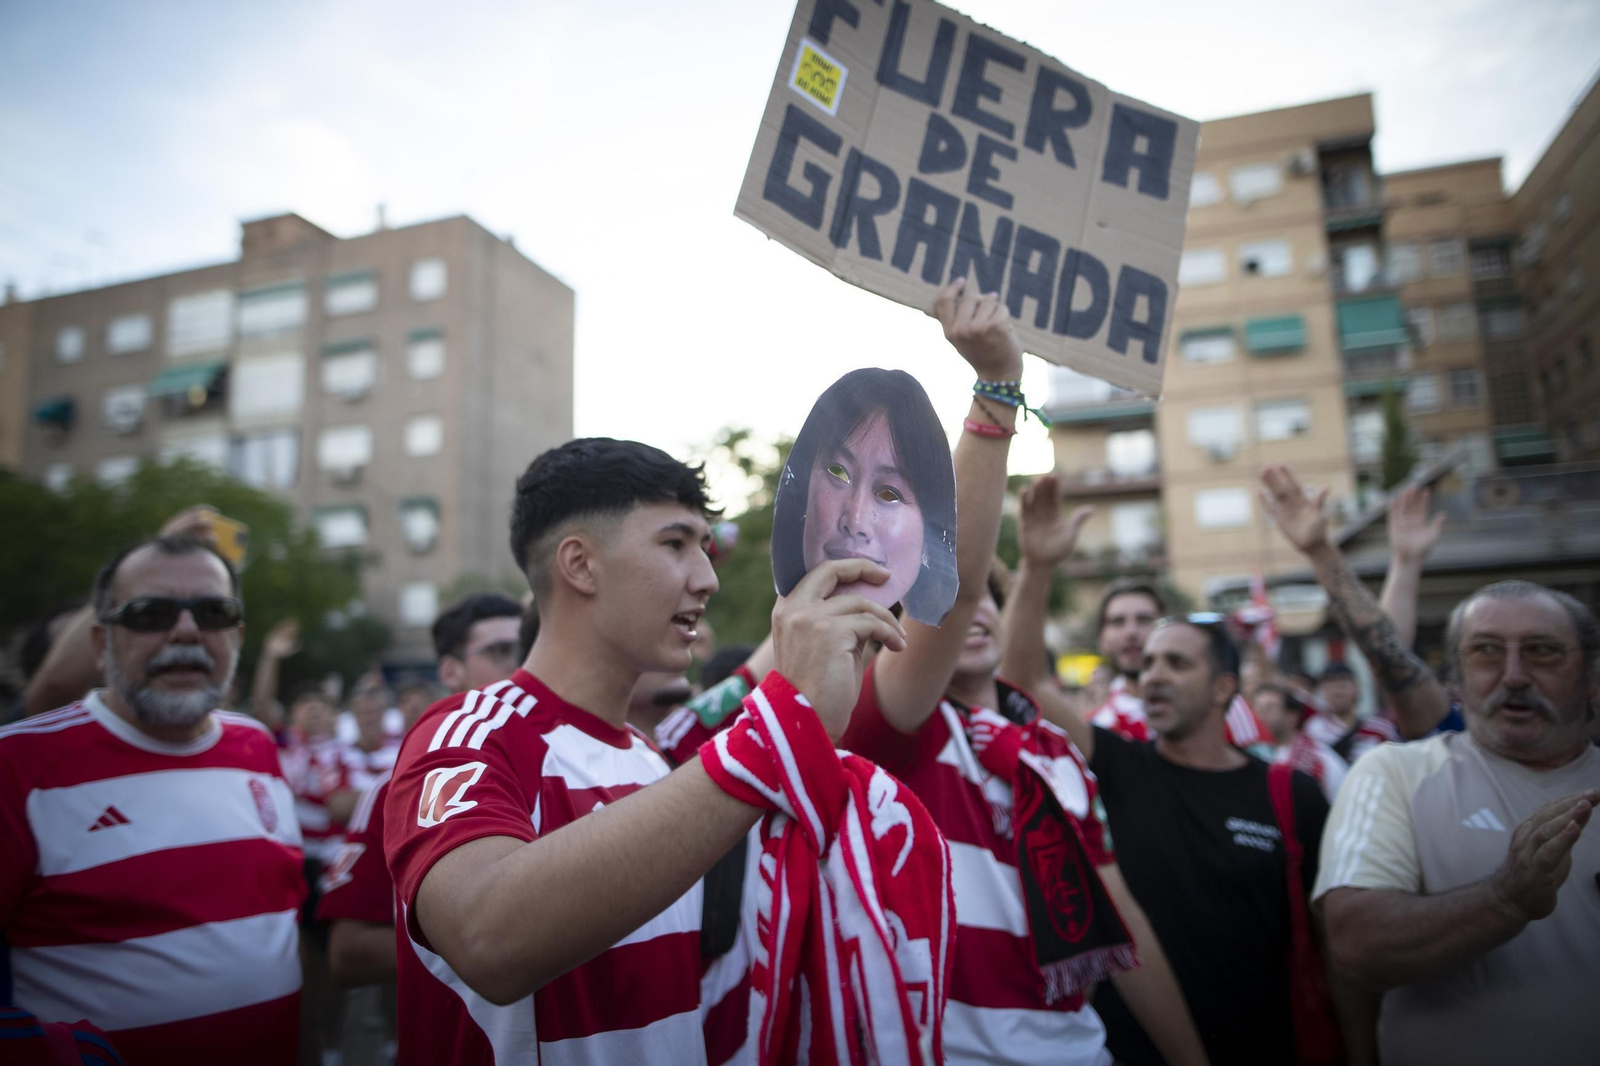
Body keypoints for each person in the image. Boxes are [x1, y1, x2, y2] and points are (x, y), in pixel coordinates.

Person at [382, 436, 940, 1064]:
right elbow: (486, 938)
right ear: (580, 564)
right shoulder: (468, 734)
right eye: (676, 544)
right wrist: (780, 732)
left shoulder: (654, 759)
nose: (707, 579)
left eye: (705, 548)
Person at [840, 280, 1207, 1066]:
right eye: (962, 605)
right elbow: (955, 584)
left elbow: (1120, 919)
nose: (977, 614)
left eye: (995, 606)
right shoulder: (894, 730)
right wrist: (997, 391)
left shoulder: (1055, 752)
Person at [1000, 476, 1339, 1066]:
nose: (1153, 674)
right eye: (1149, 662)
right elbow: (1023, 683)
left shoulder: (1293, 795)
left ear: (1223, 689)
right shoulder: (1121, 766)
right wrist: (1036, 566)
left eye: (1176, 663)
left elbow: (1335, 946)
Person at [0, 534, 304, 1064]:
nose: (186, 631)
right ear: (101, 643)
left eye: (212, 612)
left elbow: (281, 931)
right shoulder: (17, 766)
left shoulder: (257, 746)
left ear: (236, 635)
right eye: (150, 613)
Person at [1314, 581, 1600, 1064]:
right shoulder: (1395, 773)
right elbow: (1355, 946)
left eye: (1543, 652)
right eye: (1486, 652)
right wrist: (1507, 899)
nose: (1514, 676)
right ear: (1457, 677)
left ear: (1591, 678)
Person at [317, 594, 523, 998]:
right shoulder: (394, 790)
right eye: (500, 651)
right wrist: (485, 948)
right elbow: (347, 953)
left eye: (529, 648)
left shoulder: (577, 769)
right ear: (450, 670)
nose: (520, 665)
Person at [773, 367, 958, 619]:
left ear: (931, 533)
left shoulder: (927, 656)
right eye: (838, 473)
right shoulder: (781, 638)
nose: (856, 521)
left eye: (889, 494)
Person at [1087, 578, 1269, 752]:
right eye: (1118, 622)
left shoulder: (1218, 708)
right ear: (1101, 639)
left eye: (1144, 619)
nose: (1131, 631)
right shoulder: (1094, 728)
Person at [1255, 683, 1348, 801]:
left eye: (1269, 708)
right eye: (1257, 709)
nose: (1260, 716)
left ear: (1292, 717)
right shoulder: (1253, 752)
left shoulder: (1318, 757)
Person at [1302, 662, 1396, 764]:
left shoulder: (1380, 729)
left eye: (1343, 686)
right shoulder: (1314, 730)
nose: (1337, 692)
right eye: (1330, 686)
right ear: (1323, 691)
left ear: (1357, 688)